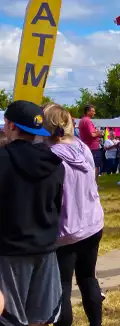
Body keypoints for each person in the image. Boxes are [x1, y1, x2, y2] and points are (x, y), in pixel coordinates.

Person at [0, 100, 64, 326]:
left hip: (10, 252)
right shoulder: (55, 162)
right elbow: (58, 203)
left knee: (11, 319)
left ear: (11, 125)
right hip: (45, 248)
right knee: (41, 319)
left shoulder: (3, 160)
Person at [42, 104, 105, 326]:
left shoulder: (49, 157)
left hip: (66, 230)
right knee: (88, 278)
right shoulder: (82, 148)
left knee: (62, 287)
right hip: (92, 223)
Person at [78, 104, 102, 178]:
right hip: (93, 146)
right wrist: (99, 133)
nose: (94, 113)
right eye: (93, 111)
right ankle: (94, 185)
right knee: (95, 166)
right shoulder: (87, 121)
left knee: (89, 166)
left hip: (86, 146)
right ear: (88, 111)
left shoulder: (82, 120)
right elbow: (92, 134)